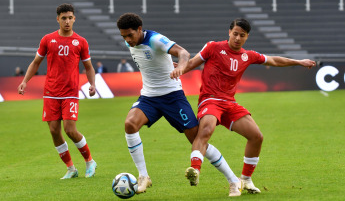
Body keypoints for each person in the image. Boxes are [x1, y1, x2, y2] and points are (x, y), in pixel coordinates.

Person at [183, 18, 316, 195]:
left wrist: (299, 62)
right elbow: (191, 63)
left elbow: (274, 61)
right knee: (205, 130)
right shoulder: (213, 47)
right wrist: (178, 69)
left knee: (256, 136)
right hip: (210, 100)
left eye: (242, 35)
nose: (238, 38)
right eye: (235, 34)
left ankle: (245, 180)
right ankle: (195, 169)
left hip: (230, 103)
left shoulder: (248, 55)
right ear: (229, 32)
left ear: (247, 37)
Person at [117, 13, 242, 196]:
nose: (127, 40)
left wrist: (181, 66)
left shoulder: (156, 39)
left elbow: (183, 52)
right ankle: (144, 176)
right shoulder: (131, 42)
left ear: (139, 30)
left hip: (172, 97)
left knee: (197, 141)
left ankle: (233, 180)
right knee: (130, 124)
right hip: (149, 97)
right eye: (123, 37)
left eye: (130, 35)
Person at [17, 3, 97, 179]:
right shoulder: (47, 39)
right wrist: (24, 81)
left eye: (70, 18)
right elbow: (36, 62)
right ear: (58, 19)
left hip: (70, 92)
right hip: (51, 92)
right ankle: (71, 168)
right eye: (63, 18)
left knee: (70, 129)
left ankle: (90, 161)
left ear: (74, 19)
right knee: (54, 130)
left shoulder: (81, 42)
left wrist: (92, 84)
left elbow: (89, 66)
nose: (67, 21)